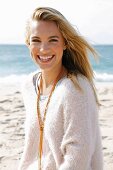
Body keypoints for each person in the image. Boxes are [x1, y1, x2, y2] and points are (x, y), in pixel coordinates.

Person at [18, 7, 103, 170]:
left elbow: (77, 160)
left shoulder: (75, 88)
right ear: (28, 43)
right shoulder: (29, 85)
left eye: (53, 40)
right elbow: (30, 151)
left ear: (65, 43)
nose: (43, 49)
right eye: (36, 40)